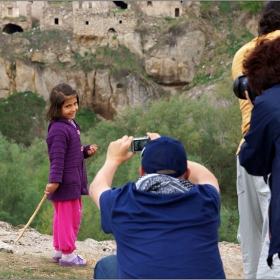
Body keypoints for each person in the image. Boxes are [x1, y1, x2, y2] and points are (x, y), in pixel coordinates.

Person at [89, 132, 226, 279]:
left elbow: (96, 187)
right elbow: (206, 176)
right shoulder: (206, 200)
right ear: (187, 173)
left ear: (142, 172)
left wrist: (113, 160)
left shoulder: (122, 202)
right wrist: (170, 152)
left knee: (107, 265)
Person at [231, 2, 280, 278]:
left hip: (248, 148)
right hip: (273, 152)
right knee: (274, 242)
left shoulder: (243, 52)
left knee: (251, 239)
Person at [44, 82, 98, 267]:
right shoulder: (59, 130)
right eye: (68, 106)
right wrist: (55, 181)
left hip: (66, 181)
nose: (73, 108)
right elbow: (57, 159)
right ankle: (68, 255)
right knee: (70, 219)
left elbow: (71, 153)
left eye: (75, 103)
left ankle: (60, 250)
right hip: (66, 182)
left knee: (61, 218)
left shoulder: (69, 125)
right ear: (57, 107)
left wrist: (85, 152)